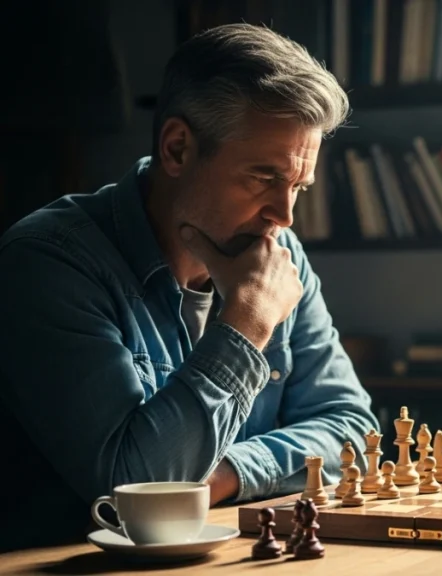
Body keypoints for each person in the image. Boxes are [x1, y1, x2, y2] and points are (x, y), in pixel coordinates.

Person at [0, 23, 378, 551]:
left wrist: (225, 472)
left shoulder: (279, 254)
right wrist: (247, 325)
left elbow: (353, 429)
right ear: (177, 148)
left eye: (298, 186)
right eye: (263, 178)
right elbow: (136, 491)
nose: (285, 215)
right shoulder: (49, 262)